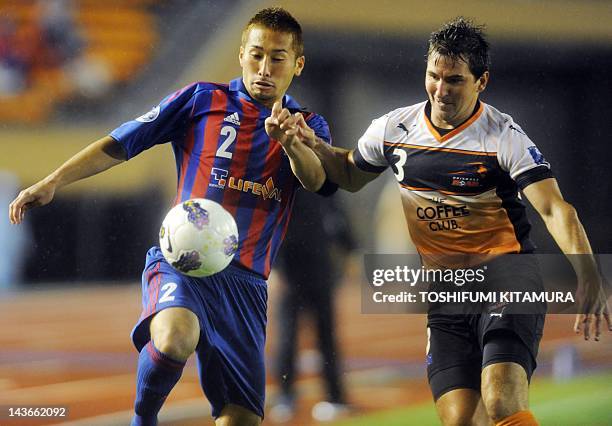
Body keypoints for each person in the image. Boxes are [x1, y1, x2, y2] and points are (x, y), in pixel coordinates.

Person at [8, 8, 336, 426]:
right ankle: (143, 419)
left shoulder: (309, 126)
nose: (264, 68)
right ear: (240, 55)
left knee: (241, 419)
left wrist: (290, 144)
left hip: (246, 286)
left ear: (297, 64)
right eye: (256, 55)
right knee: (175, 337)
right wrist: (53, 181)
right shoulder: (202, 99)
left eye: (277, 58)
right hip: (183, 262)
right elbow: (122, 141)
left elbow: (316, 180)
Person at [288, 17, 610, 426]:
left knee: (501, 398)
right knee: (458, 418)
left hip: (508, 278)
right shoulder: (394, 129)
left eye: (454, 80)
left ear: (481, 81)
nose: (440, 90)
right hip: (447, 293)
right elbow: (349, 175)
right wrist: (312, 145)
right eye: (433, 76)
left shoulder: (502, 136)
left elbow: (555, 209)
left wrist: (589, 273)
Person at [270, 190, 353, 422]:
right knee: (288, 338)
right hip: (291, 272)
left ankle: (335, 396)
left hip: (320, 269)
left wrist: (350, 250)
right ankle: (286, 396)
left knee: (327, 337)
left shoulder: (323, 184)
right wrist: (275, 268)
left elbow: (336, 218)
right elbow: (273, 225)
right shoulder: (283, 183)